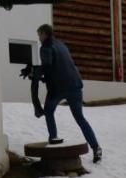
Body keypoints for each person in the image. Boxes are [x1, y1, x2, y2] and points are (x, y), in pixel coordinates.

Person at [20, 24, 102, 163]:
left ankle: (53, 137)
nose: (39, 38)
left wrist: (34, 72)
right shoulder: (61, 45)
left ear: (45, 34)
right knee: (80, 119)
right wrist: (38, 72)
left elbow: (47, 65)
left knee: (48, 110)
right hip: (75, 86)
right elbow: (58, 66)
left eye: (39, 35)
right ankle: (96, 147)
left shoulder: (45, 47)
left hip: (59, 88)